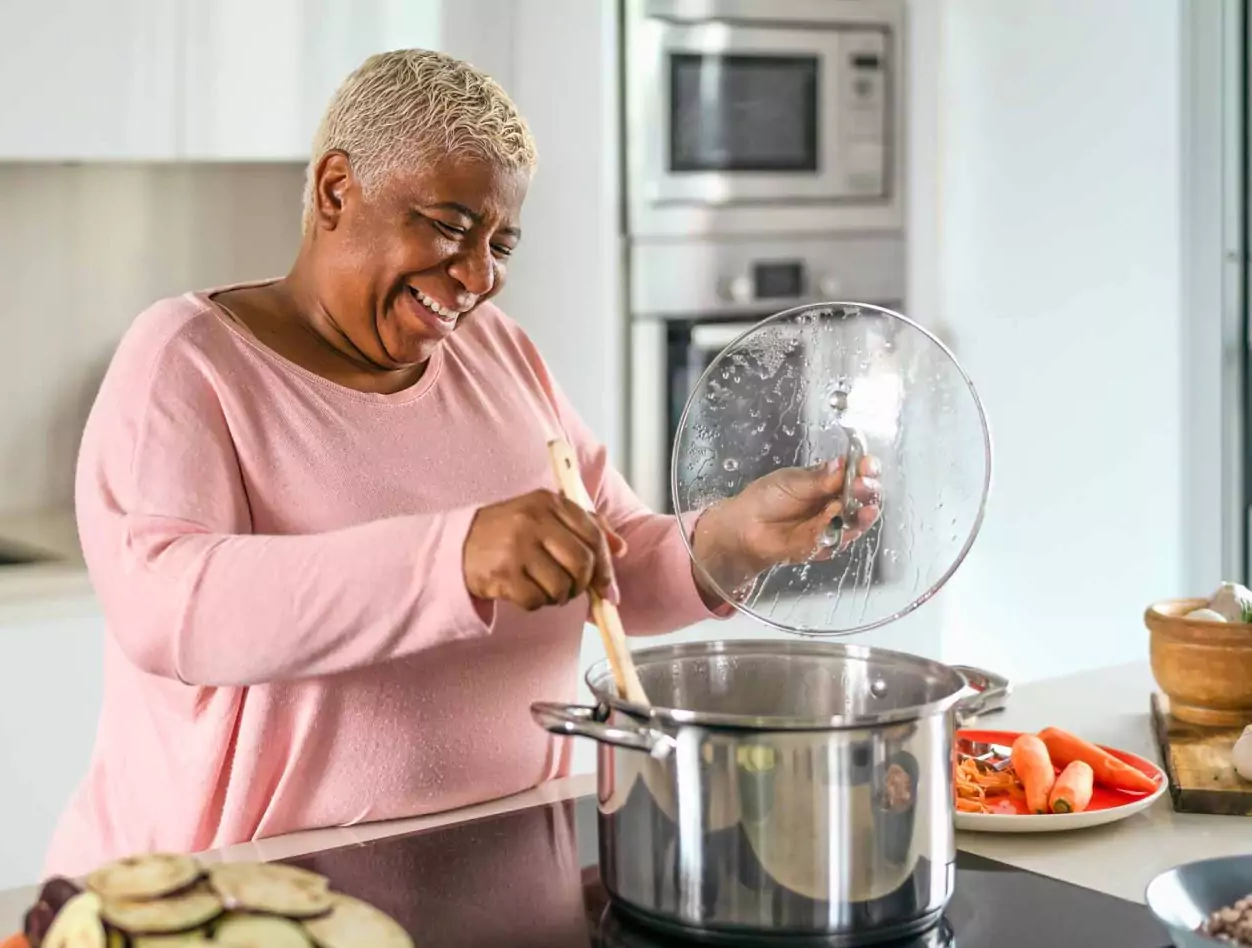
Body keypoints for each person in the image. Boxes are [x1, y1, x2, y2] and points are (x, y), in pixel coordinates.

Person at [43, 48, 880, 878]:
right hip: (238, 898)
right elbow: (171, 607)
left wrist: (731, 538)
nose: (479, 276)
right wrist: (453, 557)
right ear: (338, 191)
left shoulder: (497, 353)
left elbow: (608, 558)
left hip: (505, 864)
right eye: (448, 225)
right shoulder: (190, 360)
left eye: (501, 243)